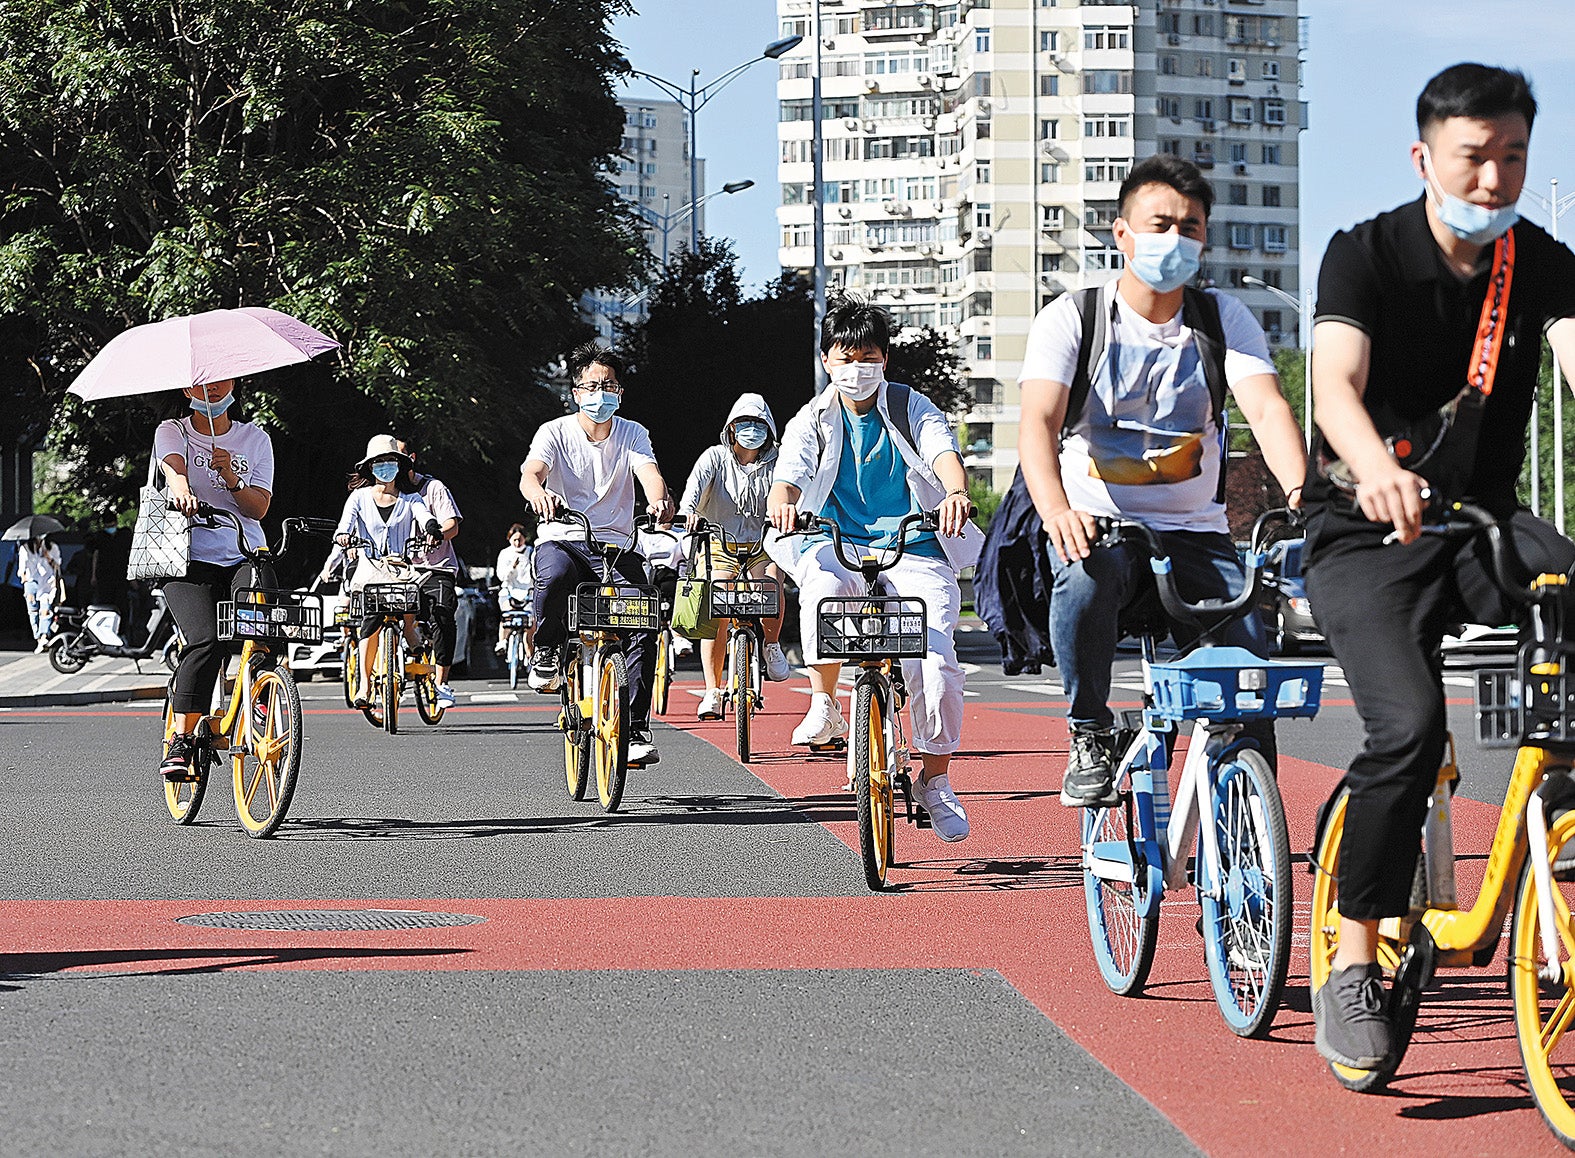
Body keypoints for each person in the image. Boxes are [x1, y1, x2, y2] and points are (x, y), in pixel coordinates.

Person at [1301, 63, 1575, 1076]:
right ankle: (1359, 953)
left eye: (1514, 157)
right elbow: (1334, 384)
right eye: (1475, 157)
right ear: (1426, 158)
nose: (1496, 178)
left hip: (1481, 526)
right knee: (1409, 730)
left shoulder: (1540, 261)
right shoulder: (1364, 255)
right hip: (1365, 534)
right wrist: (1374, 469)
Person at [1015, 155, 1306, 808]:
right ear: (1122, 233)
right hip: (1102, 527)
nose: (1174, 238)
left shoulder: (1220, 317)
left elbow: (1264, 407)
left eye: (1190, 227)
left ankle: (1244, 825)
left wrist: (1300, 495)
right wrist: (1056, 509)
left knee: (1243, 684)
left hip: (1196, 535)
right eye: (1159, 223)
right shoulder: (1075, 317)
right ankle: (1088, 730)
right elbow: (1036, 420)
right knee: (1084, 576)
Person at [766, 298, 980, 843]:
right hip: (834, 539)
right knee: (823, 589)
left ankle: (936, 780)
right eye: (846, 354)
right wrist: (783, 501)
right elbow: (790, 470)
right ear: (827, 360)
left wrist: (955, 492)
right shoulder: (812, 417)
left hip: (915, 542)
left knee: (935, 659)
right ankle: (825, 705)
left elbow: (942, 451)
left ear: (884, 359)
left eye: (868, 354)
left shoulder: (912, 407)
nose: (857, 365)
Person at [519, 342, 675, 766]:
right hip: (564, 537)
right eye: (591, 385)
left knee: (645, 616)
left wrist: (658, 501)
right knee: (552, 577)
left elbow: (649, 475)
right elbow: (531, 474)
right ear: (575, 391)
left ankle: (638, 725)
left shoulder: (633, 433)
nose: (599, 393)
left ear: (619, 391)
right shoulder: (554, 431)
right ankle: (547, 652)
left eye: (607, 385)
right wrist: (539, 494)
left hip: (617, 545)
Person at [157, 377, 275, 780]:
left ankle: (261, 695)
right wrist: (182, 487)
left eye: (219, 384)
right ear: (186, 392)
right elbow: (173, 470)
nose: (210, 392)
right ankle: (183, 738)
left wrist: (233, 479)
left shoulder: (255, 439)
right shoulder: (173, 431)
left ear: (234, 387)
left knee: (261, 627)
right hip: (186, 557)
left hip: (244, 553)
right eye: (200, 386)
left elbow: (258, 509)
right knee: (205, 639)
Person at [679, 393, 792, 720]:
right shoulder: (714, 458)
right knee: (718, 600)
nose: (752, 430)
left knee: (770, 585)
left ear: (769, 429)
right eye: (744, 423)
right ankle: (712, 689)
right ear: (731, 428)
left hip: (763, 542)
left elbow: (794, 491)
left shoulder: (780, 461)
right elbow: (693, 491)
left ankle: (771, 645)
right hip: (719, 542)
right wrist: (689, 512)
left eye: (759, 424)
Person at [333, 435, 444, 710]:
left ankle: (410, 634)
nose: (385, 467)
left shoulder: (410, 499)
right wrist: (344, 536)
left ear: (400, 465)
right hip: (370, 571)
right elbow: (343, 526)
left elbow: (425, 516)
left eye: (390, 461)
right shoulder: (358, 498)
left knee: (411, 601)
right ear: (370, 467)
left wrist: (432, 528)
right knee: (368, 623)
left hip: (400, 569)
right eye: (379, 463)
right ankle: (365, 684)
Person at [394, 437, 463, 710]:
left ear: (411, 458)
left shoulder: (433, 488)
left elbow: (451, 524)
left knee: (443, 614)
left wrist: (438, 536)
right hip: (398, 568)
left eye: (398, 456)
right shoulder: (382, 491)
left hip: (435, 567)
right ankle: (382, 673)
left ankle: (443, 682)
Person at [495, 522, 535, 660]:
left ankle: (530, 653)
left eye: (520, 539)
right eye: (515, 539)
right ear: (510, 539)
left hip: (527, 592)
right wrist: (512, 567)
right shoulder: (505, 553)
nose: (517, 542)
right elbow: (501, 576)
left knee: (530, 624)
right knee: (507, 617)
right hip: (510, 591)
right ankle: (503, 642)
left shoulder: (531, 552)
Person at [18, 534, 63, 652]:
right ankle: (38, 638)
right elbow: (22, 567)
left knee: (45, 610)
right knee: (33, 612)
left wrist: (47, 556)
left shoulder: (52, 547)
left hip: (47, 583)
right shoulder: (25, 548)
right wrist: (24, 580)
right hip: (31, 581)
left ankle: (44, 636)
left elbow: (57, 565)